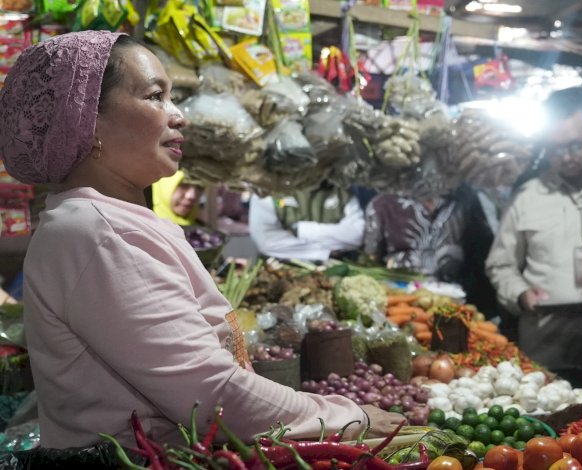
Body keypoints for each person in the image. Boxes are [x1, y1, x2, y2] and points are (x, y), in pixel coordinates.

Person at [0, 31, 402, 448]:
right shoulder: (98, 233)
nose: (179, 115)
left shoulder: (100, 221)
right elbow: (213, 394)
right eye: (156, 96)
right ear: (87, 119)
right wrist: (347, 418)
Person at [486, 87, 582, 396]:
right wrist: (520, 294)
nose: (566, 157)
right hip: (543, 355)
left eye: (576, 145)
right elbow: (501, 265)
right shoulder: (528, 196)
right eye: (555, 149)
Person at [364, 184, 498, 315]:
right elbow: (370, 261)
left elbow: (483, 252)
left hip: (456, 303)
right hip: (400, 305)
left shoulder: (466, 198)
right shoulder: (383, 204)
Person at [249, 181, 365, 262]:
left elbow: (356, 236)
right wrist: (326, 251)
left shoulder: (342, 194)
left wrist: (300, 230)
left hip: (334, 270)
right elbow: (266, 242)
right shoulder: (266, 193)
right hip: (279, 270)